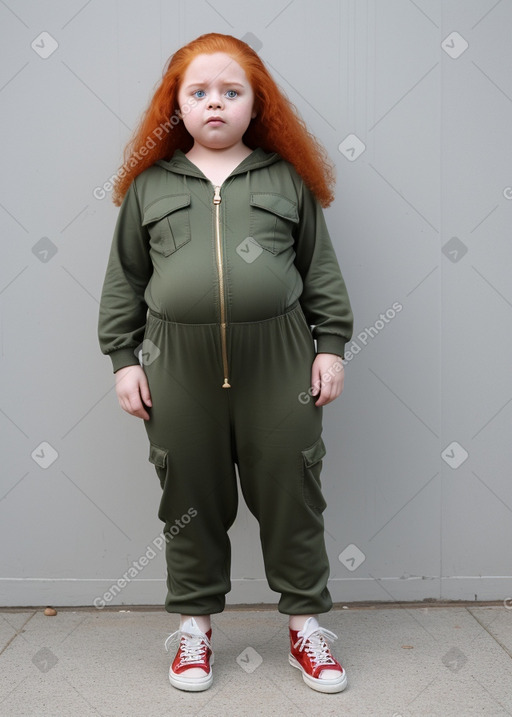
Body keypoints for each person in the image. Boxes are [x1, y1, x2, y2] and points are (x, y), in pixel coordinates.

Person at [97, 32, 354, 695]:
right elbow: (124, 281)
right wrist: (125, 359)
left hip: (280, 364)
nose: (216, 103)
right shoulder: (150, 186)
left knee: (293, 492)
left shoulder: (285, 179)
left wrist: (331, 345)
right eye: (199, 92)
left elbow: (320, 272)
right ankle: (194, 629)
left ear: (255, 103)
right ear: (176, 105)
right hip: (175, 367)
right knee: (188, 498)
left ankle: (305, 627)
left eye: (231, 92)